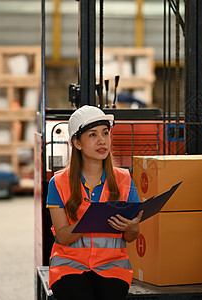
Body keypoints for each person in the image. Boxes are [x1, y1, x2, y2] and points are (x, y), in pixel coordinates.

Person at [46, 105, 143, 300]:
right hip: (69, 266)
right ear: (77, 143)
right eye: (92, 135)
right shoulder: (58, 183)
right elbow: (63, 237)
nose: (102, 141)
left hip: (112, 267)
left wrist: (133, 228)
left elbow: (131, 236)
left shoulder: (124, 179)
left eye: (105, 133)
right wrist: (89, 221)